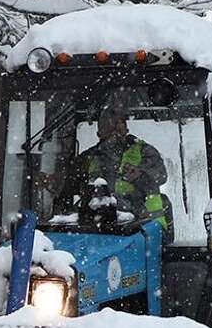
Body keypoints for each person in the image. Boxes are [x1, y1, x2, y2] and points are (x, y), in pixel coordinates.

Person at [63, 88, 171, 234]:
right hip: (96, 229)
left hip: (141, 226)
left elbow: (161, 176)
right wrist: (54, 181)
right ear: (99, 132)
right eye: (110, 128)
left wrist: (141, 176)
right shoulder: (87, 158)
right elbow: (68, 185)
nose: (116, 133)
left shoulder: (144, 151)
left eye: (119, 128)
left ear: (126, 129)